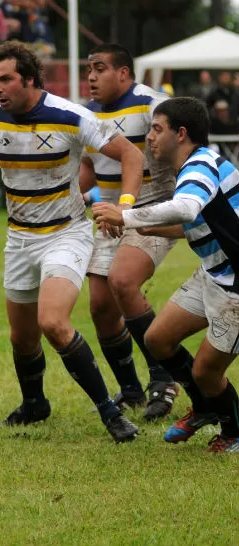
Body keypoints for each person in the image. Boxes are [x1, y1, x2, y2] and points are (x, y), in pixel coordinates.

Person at [0, 41, 144, 442]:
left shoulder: (70, 116)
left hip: (65, 233)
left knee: (52, 321)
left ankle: (110, 414)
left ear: (29, 79)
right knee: (22, 337)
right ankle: (35, 404)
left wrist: (124, 205)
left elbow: (132, 156)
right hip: (19, 238)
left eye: (6, 79)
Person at [91, 97, 239, 453]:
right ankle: (203, 407)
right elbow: (203, 220)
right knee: (157, 339)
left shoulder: (199, 165)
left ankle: (234, 430)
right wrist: (152, 230)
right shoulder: (193, 167)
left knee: (206, 372)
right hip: (214, 274)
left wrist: (125, 217)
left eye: (157, 129)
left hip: (236, 288)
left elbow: (186, 208)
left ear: (181, 133)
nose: (150, 138)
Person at [80, 43, 181, 421]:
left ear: (124, 72)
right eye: (89, 69)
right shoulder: (86, 114)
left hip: (152, 211)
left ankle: (163, 375)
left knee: (123, 280)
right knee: (101, 308)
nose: (91, 76)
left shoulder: (152, 104)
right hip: (110, 216)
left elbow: (182, 143)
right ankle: (132, 389)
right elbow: (88, 170)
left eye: (100, 68)